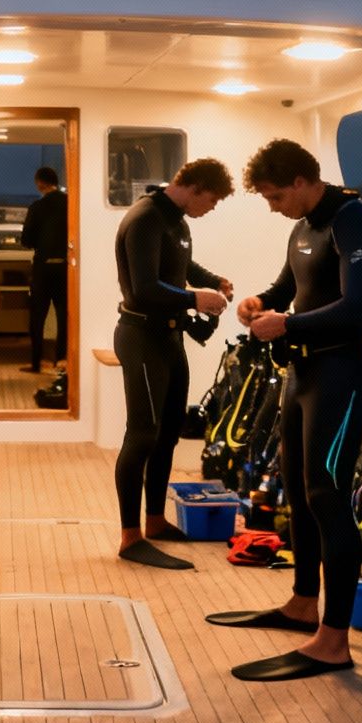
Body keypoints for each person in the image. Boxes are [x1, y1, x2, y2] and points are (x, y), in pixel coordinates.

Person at [210, 139, 362, 681]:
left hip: (341, 375)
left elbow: (360, 307)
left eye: (273, 196)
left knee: (328, 497)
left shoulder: (356, 223)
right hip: (302, 375)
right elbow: (290, 288)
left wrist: (286, 325)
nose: (271, 206)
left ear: (300, 181)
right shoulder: (304, 225)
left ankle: (334, 641)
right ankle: (302, 604)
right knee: (299, 488)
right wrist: (261, 304)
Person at [112, 158, 234, 570]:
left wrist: (211, 280)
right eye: (212, 200)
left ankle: (156, 521)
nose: (212, 208)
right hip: (142, 336)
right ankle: (130, 538)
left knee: (168, 434)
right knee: (142, 435)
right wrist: (194, 298)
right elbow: (145, 287)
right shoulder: (146, 218)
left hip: (169, 336)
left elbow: (180, 265)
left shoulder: (176, 220)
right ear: (195, 187)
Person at [18, 164, 68, 374]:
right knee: (65, 316)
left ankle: (36, 363)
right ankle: (63, 361)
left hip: (43, 268)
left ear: (40, 183)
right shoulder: (71, 204)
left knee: (37, 317)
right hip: (66, 268)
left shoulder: (37, 207)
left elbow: (26, 240)